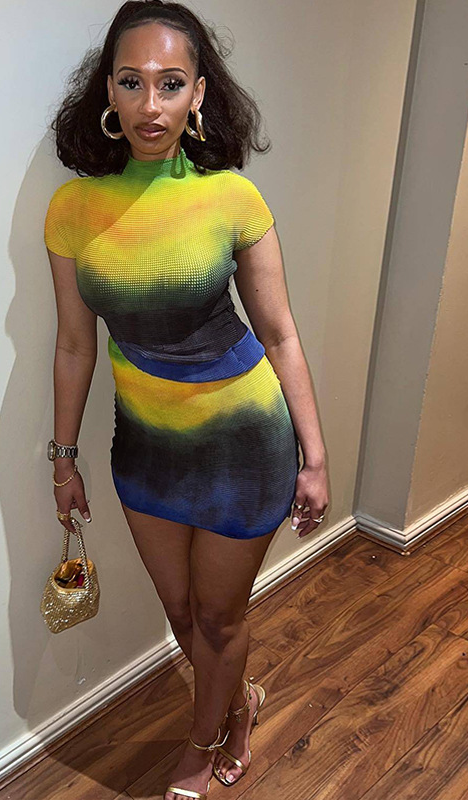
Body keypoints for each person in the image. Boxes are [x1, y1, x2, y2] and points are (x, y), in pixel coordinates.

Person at [43, 2, 329, 798]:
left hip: (244, 440)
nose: (151, 103)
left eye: (171, 84)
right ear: (108, 90)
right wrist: (62, 460)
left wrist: (314, 455)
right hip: (146, 447)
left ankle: (203, 747)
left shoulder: (233, 198)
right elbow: (74, 346)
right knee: (182, 614)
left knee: (220, 618)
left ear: (199, 94)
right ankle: (239, 705)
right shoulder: (73, 210)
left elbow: (280, 334)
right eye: (132, 82)